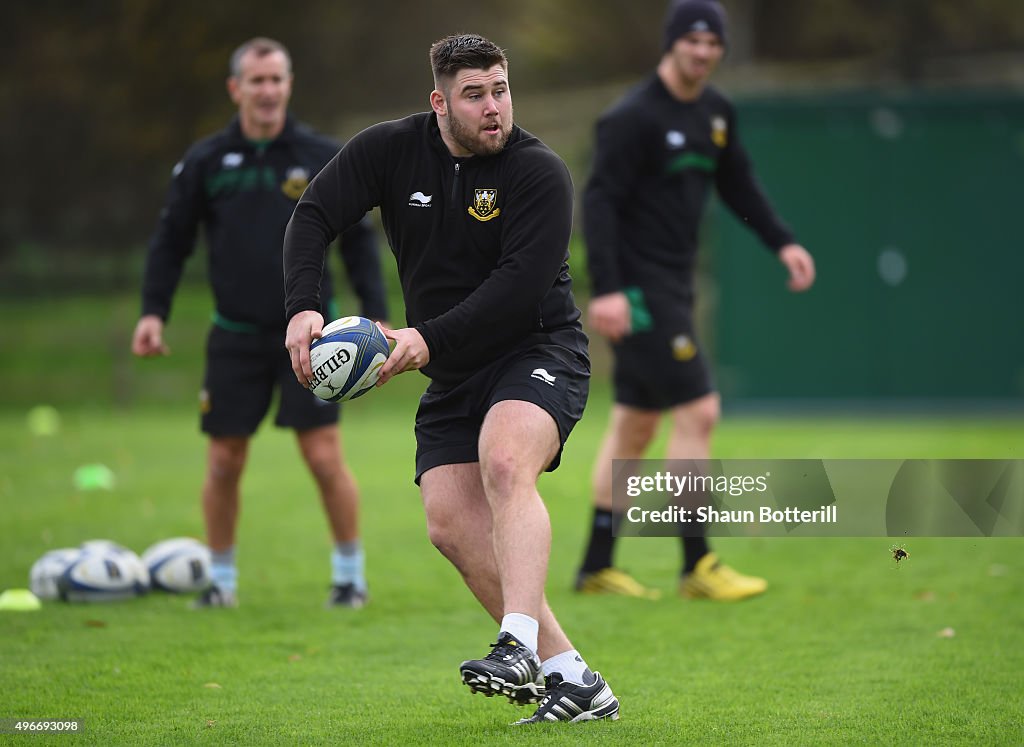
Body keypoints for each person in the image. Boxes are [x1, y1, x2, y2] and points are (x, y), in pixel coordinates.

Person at [283, 34, 619, 724]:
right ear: (439, 102)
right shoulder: (389, 150)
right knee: (451, 527)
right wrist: (304, 306)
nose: (494, 107)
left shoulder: (539, 173)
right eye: (475, 95)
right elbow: (313, 215)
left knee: (504, 461)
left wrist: (420, 339)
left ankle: (518, 643)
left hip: (538, 348)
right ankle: (575, 678)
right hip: (452, 373)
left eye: (500, 89)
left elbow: (517, 289)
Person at [131, 37, 388, 610]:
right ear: (236, 89)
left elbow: (359, 244)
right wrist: (154, 311)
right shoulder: (206, 162)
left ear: (289, 85)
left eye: (277, 79)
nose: (268, 90)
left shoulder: (322, 154)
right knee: (224, 461)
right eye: (257, 80)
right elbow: (170, 242)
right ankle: (220, 583)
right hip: (235, 335)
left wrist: (376, 312)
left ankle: (350, 576)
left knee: (323, 457)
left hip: (315, 337)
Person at [575, 0, 816, 601]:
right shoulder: (630, 117)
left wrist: (781, 241)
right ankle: (697, 564)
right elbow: (598, 203)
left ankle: (596, 568)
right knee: (699, 411)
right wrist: (606, 289)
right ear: (672, 44)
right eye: (694, 42)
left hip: (673, 283)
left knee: (635, 426)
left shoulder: (715, 111)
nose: (704, 54)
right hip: (639, 288)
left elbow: (739, 182)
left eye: (714, 45)